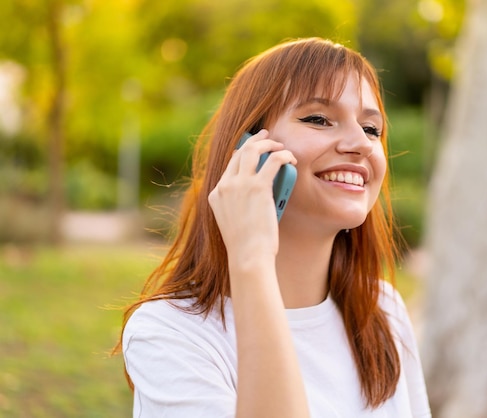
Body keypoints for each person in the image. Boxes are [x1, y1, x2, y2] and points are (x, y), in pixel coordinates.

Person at [117, 37, 431, 418]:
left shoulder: (383, 311)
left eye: (371, 128)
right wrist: (251, 258)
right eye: (318, 118)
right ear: (246, 150)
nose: (360, 144)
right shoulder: (170, 334)